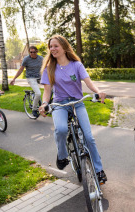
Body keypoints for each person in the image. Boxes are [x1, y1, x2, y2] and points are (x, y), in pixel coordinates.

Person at [38, 35, 107, 184]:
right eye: (51, 46)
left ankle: (99, 170)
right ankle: (62, 155)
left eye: (56, 46)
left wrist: (98, 91)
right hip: (59, 104)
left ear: (64, 47)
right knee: (61, 129)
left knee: (89, 137)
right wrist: (44, 104)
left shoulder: (76, 65)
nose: (52, 49)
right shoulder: (49, 68)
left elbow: (88, 83)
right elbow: (47, 91)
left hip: (77, 103)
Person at [10, 46, 43, 118]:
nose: (32, 53)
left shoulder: (41, 58)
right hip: (31, 78)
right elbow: (21, 69)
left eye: (34, 52)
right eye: (31, 52)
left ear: (37, 51)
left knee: (52, 87)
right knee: (38, 93)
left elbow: (46, 68)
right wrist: (14, 79)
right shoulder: (26, 59)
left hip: (40, 77)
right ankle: (34, 109)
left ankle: (46, 105)